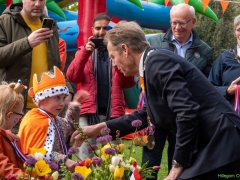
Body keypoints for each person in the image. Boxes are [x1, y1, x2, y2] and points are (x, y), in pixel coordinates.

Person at [71, 21, 240, 180]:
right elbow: (145, 115)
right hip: (214, 142)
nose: (113, 64)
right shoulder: (151, 63)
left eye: (113, 56)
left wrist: (177, 165)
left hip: (222, 143)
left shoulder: (156, 62)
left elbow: (186, 110)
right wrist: (97, 128)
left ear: (125, 49)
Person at [144, 3, 213, 177]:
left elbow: (205, 84)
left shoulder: (204, 50)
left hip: (183, 117)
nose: (176, 27)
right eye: (173, 22)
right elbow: (141, 75)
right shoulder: (154, 42)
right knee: (148, 166)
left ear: (193, 22)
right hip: (157, 115)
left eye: (182, 23)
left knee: (179, 164)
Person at [66, 13, 135, 160]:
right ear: (92, 30)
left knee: (113, 159)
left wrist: (117, 57)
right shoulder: (83, 52)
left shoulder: (118, 53)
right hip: (88, 113)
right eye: (98, 28)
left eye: (106, 28)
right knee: (85, 156)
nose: (102, 32)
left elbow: (128, 83)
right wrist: (85, 52)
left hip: (113, 113)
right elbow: (72, 76)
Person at [18, 66, 81, 169]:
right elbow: (36, 152)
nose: (62, 103)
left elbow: (68, 128)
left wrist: (74, 107)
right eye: (57, 98)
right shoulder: (33, 120)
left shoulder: (55, 119)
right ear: (42, 99)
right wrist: (64, 160)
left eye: (64, 98)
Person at [208, 15, 240, 107]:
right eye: (238, 29)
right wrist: (227, 91)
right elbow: (208, 89)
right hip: (231, 118)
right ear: (235, 32)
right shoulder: (225, 58)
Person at [0, 81, 26, 178]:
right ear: (9, 116)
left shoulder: (10, 136)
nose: (22, 115)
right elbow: (4, 167)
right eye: (20, 113)